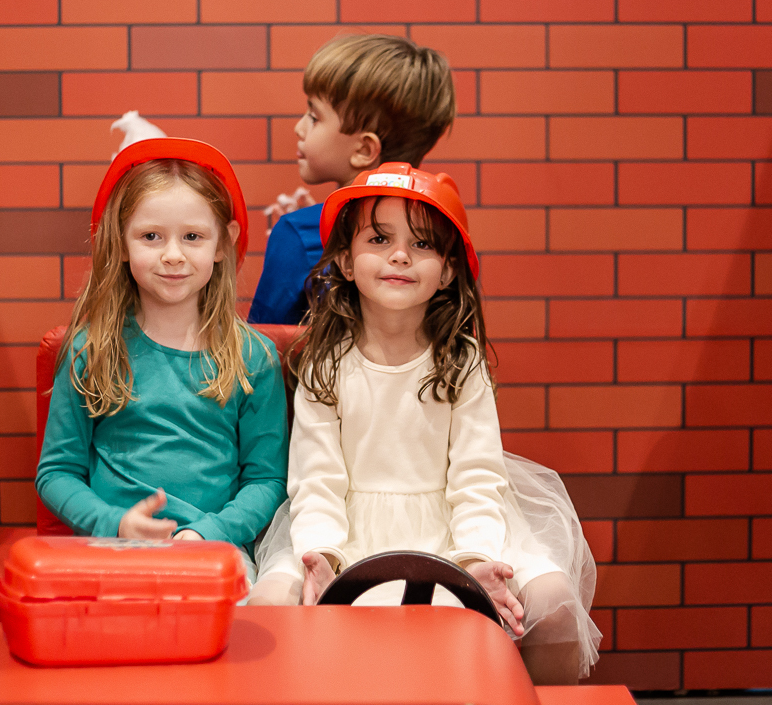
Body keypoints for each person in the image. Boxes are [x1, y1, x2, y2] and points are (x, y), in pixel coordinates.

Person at [249, 164, 601, 683]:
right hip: (346, 527)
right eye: (380, 238)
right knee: (270, 601)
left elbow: (477, 478)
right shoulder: (325, 361)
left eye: (422, 245)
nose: (399, 255)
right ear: (345, 260)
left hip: (458, 521)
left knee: (554, 605)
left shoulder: (461, 360)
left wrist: (477, 557)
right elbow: (318, 481)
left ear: (449, 270)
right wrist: (321, 554)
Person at [36, 137, 288, 582]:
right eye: (151, 237)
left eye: (192, 237)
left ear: (223, 243)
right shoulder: (90, 350)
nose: (173, 255)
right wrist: (114, 523)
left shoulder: (252, 356)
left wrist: (208, 533)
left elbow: (267, 481)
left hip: (213, 552)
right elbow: (57, 473)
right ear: (121, 241)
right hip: (111, 551)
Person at [247, 33, 456, 326]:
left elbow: (262, 348)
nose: (299, 128)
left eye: (314, 117)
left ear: (363, 150)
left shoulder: (299, 235)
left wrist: (298, 236)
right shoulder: (446, 234)